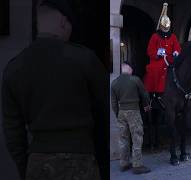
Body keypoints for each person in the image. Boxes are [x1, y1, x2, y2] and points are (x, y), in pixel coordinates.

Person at [1, 1, 108, 180]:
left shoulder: (14, 68)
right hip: (82, 160)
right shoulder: (85, 60)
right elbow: (104, 115)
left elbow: (13, 131)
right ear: (63, 22)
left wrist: (25, 167)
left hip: (38, 163)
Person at [111, 62, 151, 174]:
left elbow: (113, 102)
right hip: (134, 111)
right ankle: (137, 165)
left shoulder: (114, 83)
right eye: (131, 69)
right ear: (129, 69)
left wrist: (118, 113)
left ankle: (124, 163)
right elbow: (144, 94)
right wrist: (147, 106)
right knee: (137, 137)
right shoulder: (135, 80)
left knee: (123, 138)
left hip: (121, 112)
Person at [143, 2, 181, 94]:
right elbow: (149, 51)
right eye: (164, 28)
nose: (165, 31)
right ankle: (154, 93)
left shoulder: (173, 37)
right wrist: (157, 53)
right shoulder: (155, 37)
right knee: (153, 71)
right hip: (158, 62)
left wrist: (176, 52)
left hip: (171, 60)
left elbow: (177, 47)